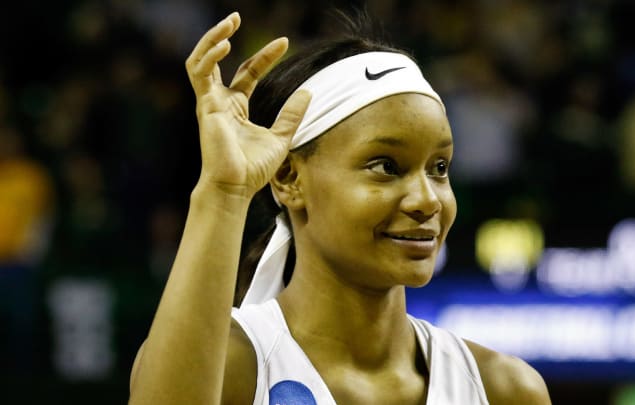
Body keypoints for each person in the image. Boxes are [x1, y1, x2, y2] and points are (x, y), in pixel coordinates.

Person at [128, 11, 551, 405]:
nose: (427, 199)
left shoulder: (505, 389)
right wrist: (224, 190)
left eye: (439, 168)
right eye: (386, 166)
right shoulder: (233, 367)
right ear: (289, 179)